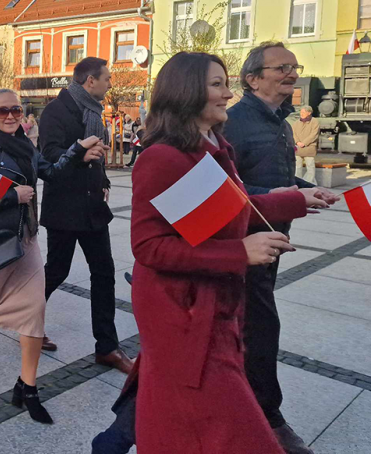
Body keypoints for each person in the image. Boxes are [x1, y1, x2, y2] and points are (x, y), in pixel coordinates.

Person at [129, 51, 329, 454]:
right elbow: (148, 247)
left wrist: (297, 199)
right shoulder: (164, 157)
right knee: (232, 428)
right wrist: (239, 251)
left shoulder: (212, 146)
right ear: (186, 92)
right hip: (183, 313)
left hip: (213, 307)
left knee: (180, 414)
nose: (228, 94)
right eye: (217, 85)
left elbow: (233, 209)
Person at [0, 88, 105, 425]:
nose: (10, 116)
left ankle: (28, 386)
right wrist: (10, 196)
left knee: (34, 308)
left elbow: (53, 171)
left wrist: (78, 151)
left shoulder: (27, 147)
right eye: (2, 111)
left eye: (15, 109)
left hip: (26, 238)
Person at [224, 42, 340, 454]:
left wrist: (307, 190)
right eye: (281, 68)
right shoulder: (233, 123)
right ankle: (269, 418)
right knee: (261, 328)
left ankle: (238, 405)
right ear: (253, 78)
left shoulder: (283, 123)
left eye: (294, 66)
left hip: (273, 241)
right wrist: (280, 196)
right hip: (242, 243)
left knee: (245, 327)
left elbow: (279, 178)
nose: (292, 74)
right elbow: (224, 188)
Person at [38, 57, 133, 372]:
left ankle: (107, 347)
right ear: (90, 80)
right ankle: (27, 323)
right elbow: (49, 156)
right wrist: (80, 153)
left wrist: (102, 180)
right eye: (107, 78)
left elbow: (97, 156)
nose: (110, 84)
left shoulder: (93, 111)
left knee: (104, 274)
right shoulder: (56, 110)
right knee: (57, 271)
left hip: (93, 208)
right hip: (64, 208)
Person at [292, 105, 320, 185]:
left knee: (310, 166)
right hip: (298, 148)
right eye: (301, 112)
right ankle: (298, 182)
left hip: (309, 148)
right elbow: (293, 133)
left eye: (303, 112)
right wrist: (297, 142)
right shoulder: (296, 122)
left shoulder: (315, 122)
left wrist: (304, 143)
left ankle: (309, 183)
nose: (301, 113)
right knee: (297, 167)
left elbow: (314, 134)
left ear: (309, 113)